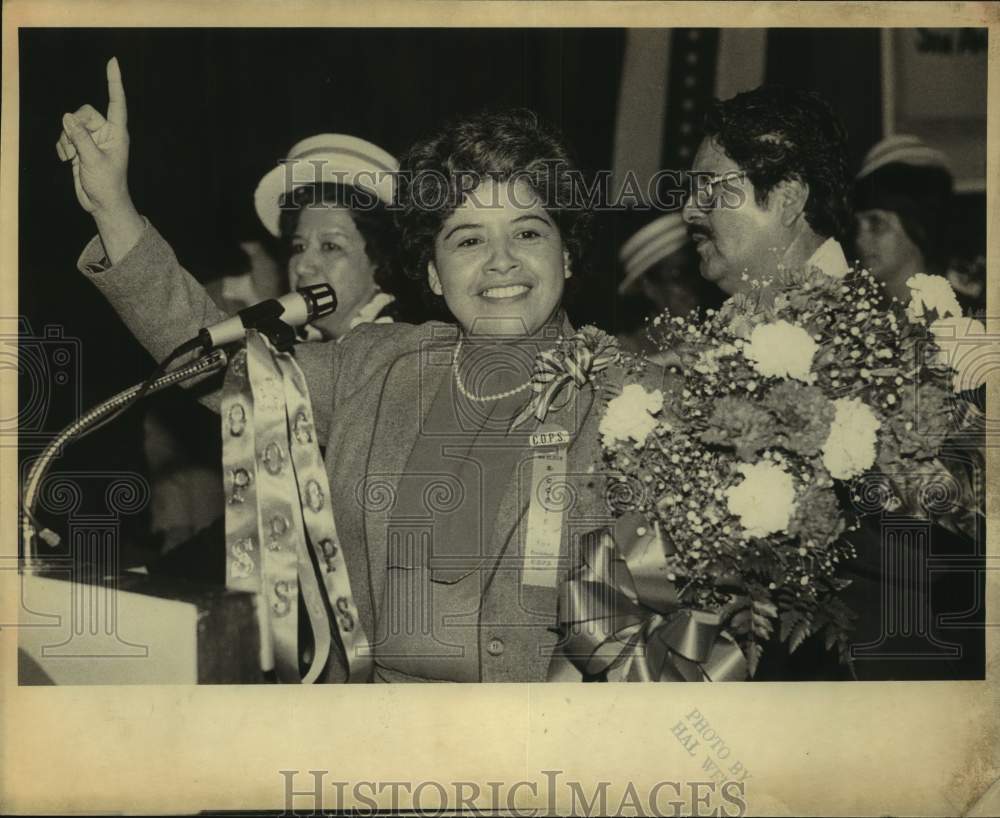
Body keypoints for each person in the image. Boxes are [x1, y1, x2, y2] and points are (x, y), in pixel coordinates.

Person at [57, 59, 668, 683]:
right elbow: (215, 360)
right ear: (432, 272)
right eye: (467, 240)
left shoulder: (632, 398)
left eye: (528, 232)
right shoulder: (376, 364)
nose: (500, 262)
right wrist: (114, 209)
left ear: (566, 254)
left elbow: (660, 630)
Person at [681, 85, 853, 293]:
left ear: (789, 197)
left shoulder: (849, 322)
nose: (688, 212)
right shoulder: (765, 315)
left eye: (708, 186)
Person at [853, 134, 985, 314]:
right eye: (856, 225)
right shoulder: (857, 317)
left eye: (876, 223)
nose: (860, 239)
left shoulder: (966, 319)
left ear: (918, 225)